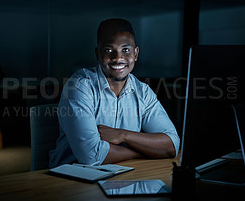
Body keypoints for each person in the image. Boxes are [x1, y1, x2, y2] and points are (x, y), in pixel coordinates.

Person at [49, 18, 180, 167]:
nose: (118, 58)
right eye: (108, 50)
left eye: (126, 50)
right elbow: (92, 156)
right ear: (97, 54)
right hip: (67, 180)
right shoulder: (80, 86)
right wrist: (144, 150)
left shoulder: (143, 92)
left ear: (135, 54)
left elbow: (171, 144)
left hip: (120, 175)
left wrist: (123, 136)